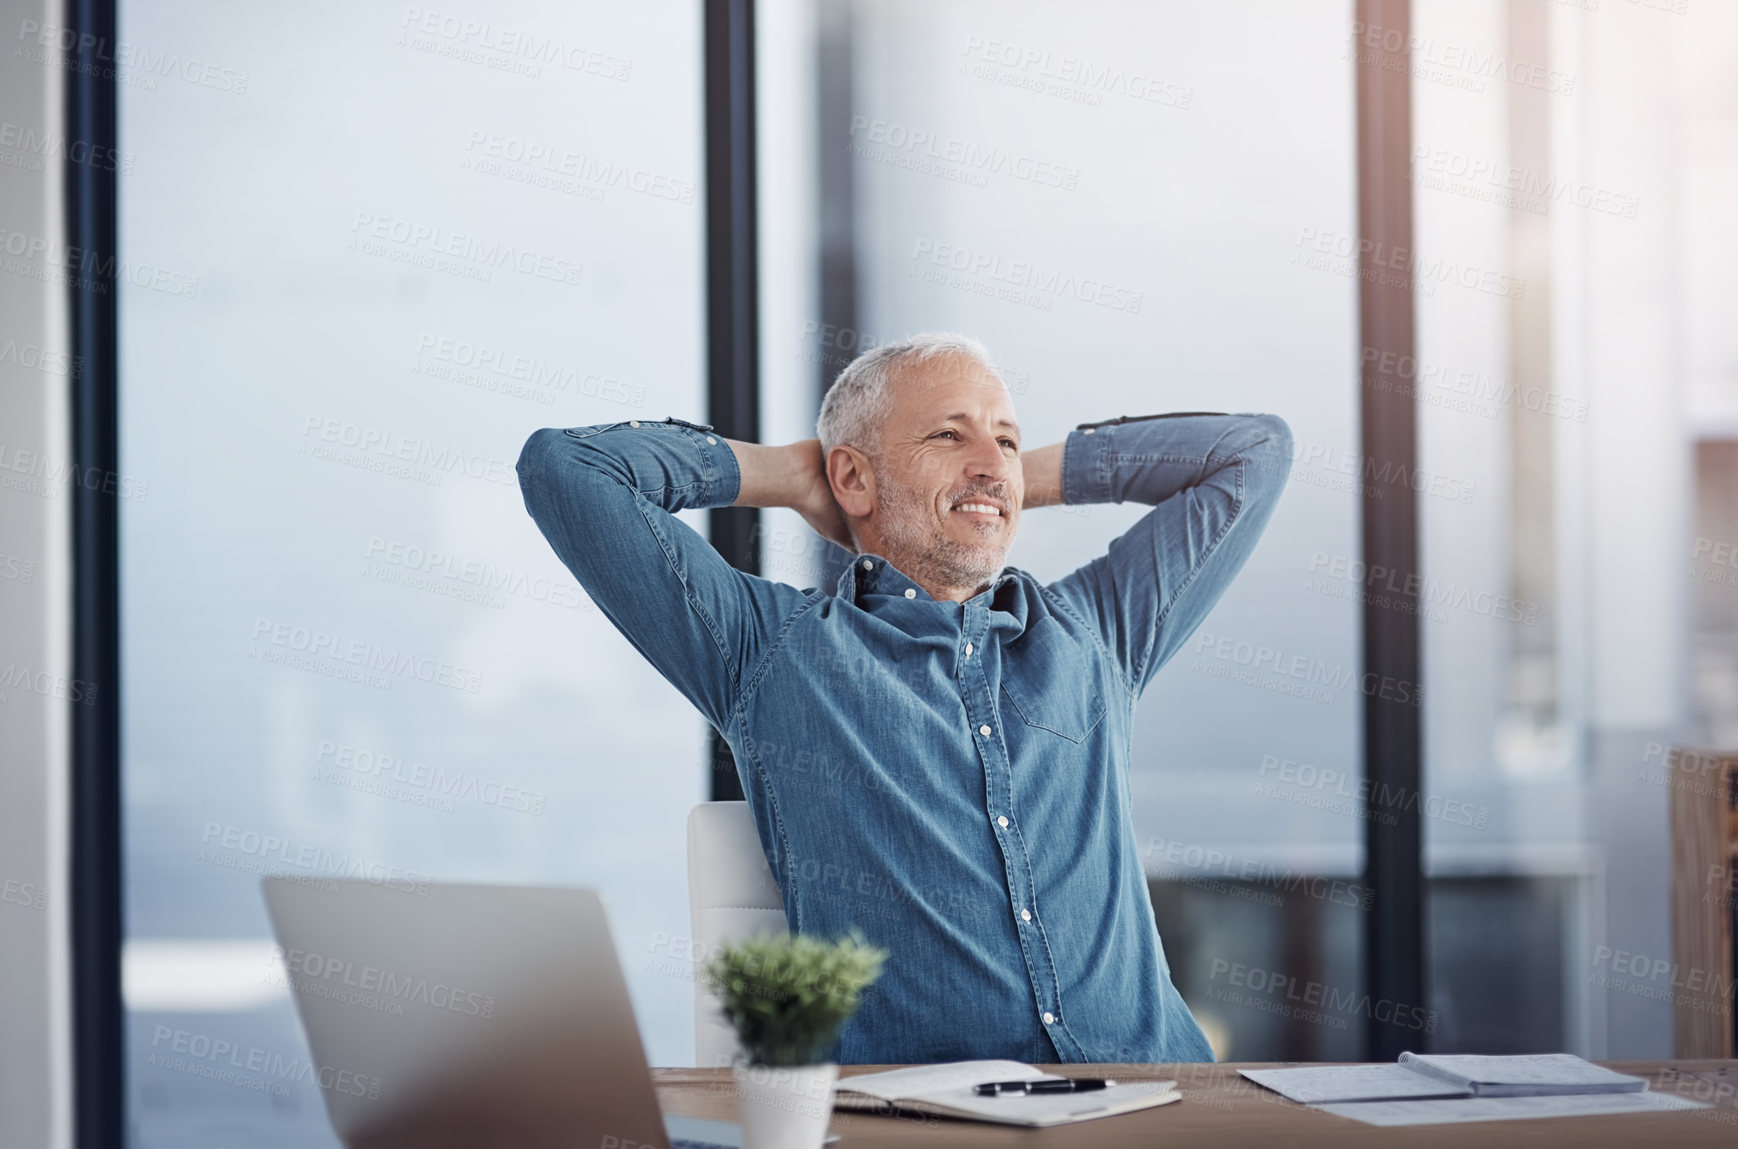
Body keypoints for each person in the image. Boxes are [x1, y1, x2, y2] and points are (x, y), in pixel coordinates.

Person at [516, 332, 1292, 1064]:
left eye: (1008, 437)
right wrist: (790, 473)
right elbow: (566, 468)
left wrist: (1007, 482)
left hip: (1164, 1104)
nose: (990, 458)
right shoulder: (773, 652)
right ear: (851, 477)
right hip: (926, 1122)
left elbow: (1254, 452)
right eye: (949, 436)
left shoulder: (1095, 634)